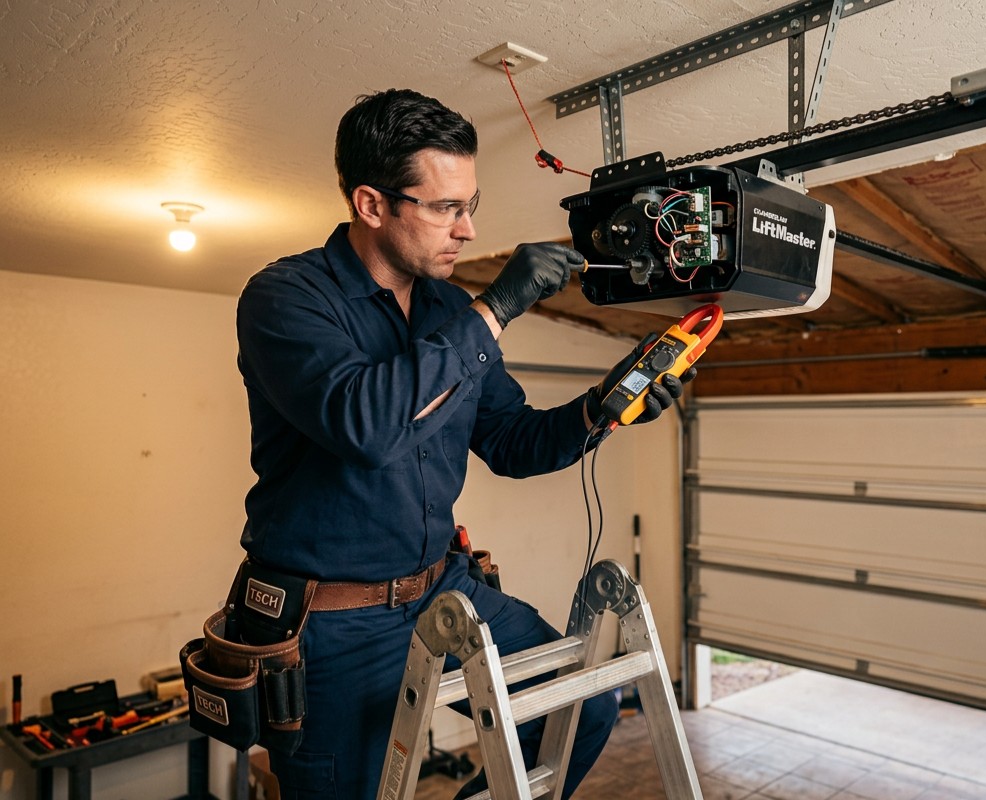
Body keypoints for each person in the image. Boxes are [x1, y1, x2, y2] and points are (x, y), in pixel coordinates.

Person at [233, 88, 691, 799]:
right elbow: (367, 427)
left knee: (583, 702)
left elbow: (511, 440)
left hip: (443, 590)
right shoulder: (287, 298)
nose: (468, 229)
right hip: (333, 626)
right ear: (372, 204)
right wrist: (497, 308)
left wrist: (604, 408)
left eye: (470, 204)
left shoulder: (447, 308)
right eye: (447, 207)